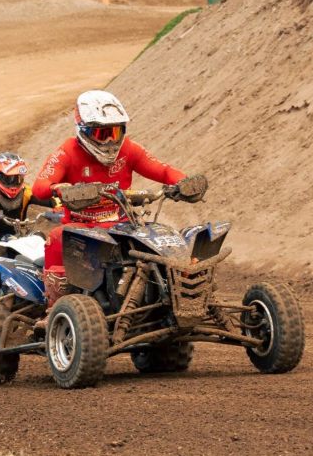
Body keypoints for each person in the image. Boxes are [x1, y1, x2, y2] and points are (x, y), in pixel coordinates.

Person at [32, 90, 205, 309]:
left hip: (123, 224)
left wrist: (183, 183)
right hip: (82, 226)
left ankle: (176, 294)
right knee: (56, 237)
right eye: (102, 134)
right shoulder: (67, 151)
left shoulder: (129, 149)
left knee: (163, 238)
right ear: (83, 130)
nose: (111, 141)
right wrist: (58, 188)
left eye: (115, 132)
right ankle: (55, 308)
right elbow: (39, 187)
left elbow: (162, 170)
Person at [0, 152, 59, 244]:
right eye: (8, 179)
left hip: (15, 237)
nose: (13, 184)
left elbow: (51, 199)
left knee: (39, 238)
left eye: (17, 178)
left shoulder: (26, 192)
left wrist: (59, 207)